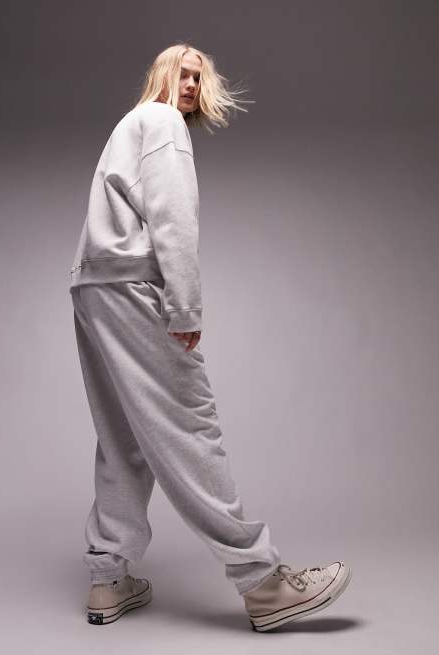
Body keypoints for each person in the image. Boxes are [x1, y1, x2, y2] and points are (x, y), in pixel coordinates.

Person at [69, 42, 352, 631]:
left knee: (123, 437)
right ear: (162, 75)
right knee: (188, 426)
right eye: (184, 74)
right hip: (134, 288)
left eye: (199, 78)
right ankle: (263, 582)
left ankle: (107, 578)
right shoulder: (164, 123)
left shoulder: (128, 124)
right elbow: (173, 217)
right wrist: (184, 308)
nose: (192, 86)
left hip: (92, 285)